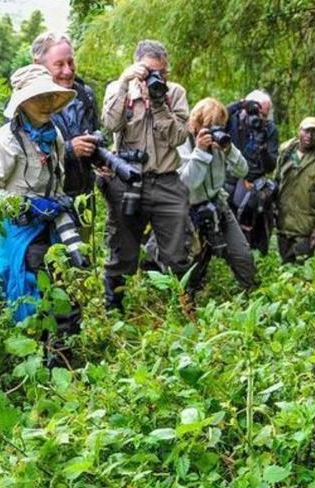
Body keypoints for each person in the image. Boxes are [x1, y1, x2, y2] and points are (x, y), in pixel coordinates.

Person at [0, 64, 82, 364]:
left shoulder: (55, 135)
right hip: (21, 229)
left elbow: (56, 176)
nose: (47, 104)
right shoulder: (6, 141)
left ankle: (62, 355)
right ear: (23, 102)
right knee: (27, 290)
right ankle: (31, 359)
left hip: (52, 225)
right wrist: (26, 204)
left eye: (51, 97)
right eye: (39, 98)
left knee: (64, 286)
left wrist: (58, 203)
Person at [100, 40, 190, 309]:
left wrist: (159, 103)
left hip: (166, 180)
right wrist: (125, 82)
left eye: (162, 72)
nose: (157, 77)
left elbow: (178, 137)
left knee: (177, 253)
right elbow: (110, 124)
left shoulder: (175, 93)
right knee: (122, 253)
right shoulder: (119, 90)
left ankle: (180, 307)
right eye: (150, 71)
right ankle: (114, 308)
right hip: (129, 180)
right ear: (137, 66)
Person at [178, 98, 256, 292]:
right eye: (209, 127)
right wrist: (201, 152)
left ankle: (252, 294)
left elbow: (243, 171)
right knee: (192, 264)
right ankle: (188, 303)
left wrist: (229, 150)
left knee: (242, 255)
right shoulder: (182, 142)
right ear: (196, 124)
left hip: (217, 204)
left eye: (219, 126)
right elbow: (188, 184)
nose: (215, 132)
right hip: (189, 211)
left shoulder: (220, 143)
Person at [32, 31, 100, 199]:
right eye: (59, 64)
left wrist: (99, 156)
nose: (68, 71)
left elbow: (95, 130)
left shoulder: (85, 94)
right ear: (38, 65)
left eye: (70, 62)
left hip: (84, 195)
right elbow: (23, 157)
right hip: (46, 201)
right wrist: (69, 150)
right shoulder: (27, 103)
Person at [224, 90, 279, 254]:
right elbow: (212, 119)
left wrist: (262, 148)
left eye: (264, 114)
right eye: (256, 112)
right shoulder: (232, 120)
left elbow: (270, 166)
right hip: (228, 182)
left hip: (254, 186)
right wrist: (240, 104)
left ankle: (255, 260)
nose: (259, 118)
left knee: (257, 233)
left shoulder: (269, 129)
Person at [274, 116, 315, 263]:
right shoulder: (285, 153)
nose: (310, 136)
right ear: (299, 131)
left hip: (305, 229)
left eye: (314, 132)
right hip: (283, 224)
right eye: (307, 131)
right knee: (284, 269)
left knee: (302, 271)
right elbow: (275, 181)